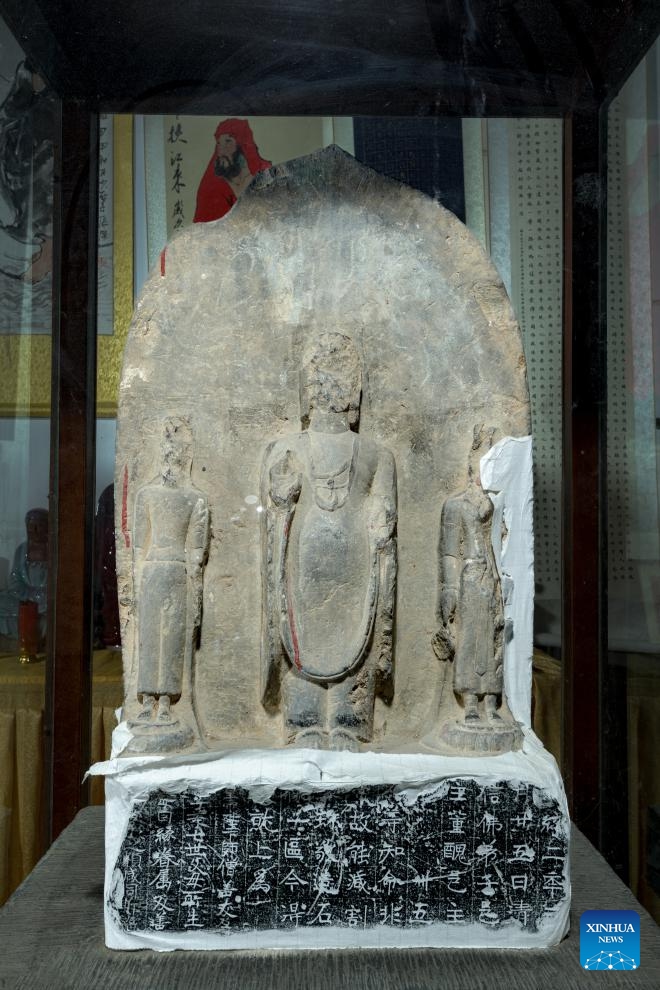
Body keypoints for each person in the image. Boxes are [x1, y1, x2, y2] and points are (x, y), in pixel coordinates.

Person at [261, 332, 397, 751]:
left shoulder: (376, 454)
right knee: (298, 632)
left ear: (356, 391)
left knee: (359, 634)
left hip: (356, 570)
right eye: (323, 375)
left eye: (342, 373)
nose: (331, 384)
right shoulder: (285, 449)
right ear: (307, 390)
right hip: (303, 570)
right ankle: (302, 721)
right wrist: (282, 503)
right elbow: (273, 514)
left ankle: (349, 719)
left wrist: (381, 520)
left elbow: (385, 520)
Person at [132, 418, 209, 725]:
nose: (171, 458)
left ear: (185, 458)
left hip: (178, 572)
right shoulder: (146, 495)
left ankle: (166, 699)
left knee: (173, 635)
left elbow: (197, 547)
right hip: (152, 569)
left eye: (177, 453)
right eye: (167, 452)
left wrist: (197, 582)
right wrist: (135, 579)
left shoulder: (195, 498)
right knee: (150, 634)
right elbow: (139, 543)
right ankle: (146, 696)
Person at [193, 118, 271, 223]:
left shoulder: (265, 174)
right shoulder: (213, 187)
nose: (221, 151)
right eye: (219, 143)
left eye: (228, 141)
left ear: (242, 145)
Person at [0, 508, 48, 641]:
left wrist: (39, 596)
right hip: (24, 599)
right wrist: (27, 596)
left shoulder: (56, 551)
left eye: (39, 526)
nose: (34, 530)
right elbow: (14, 581)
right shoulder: (22, 550)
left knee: (55, 610)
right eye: (30, 526)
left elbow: (61, 582)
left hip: (46, 599)